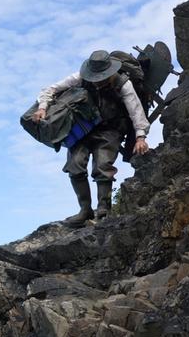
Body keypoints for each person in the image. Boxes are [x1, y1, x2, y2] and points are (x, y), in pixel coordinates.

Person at [32, 50, 152, 227]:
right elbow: (51, 89)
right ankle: (85, 210)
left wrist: (140, 136)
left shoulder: (123, 84)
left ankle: (104, 210)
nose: (99, 81)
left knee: (103, 165)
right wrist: (43, 107)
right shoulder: (81, 77)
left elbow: (136, 110)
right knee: (75, 166)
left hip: (110, 129)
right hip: (83, 128)